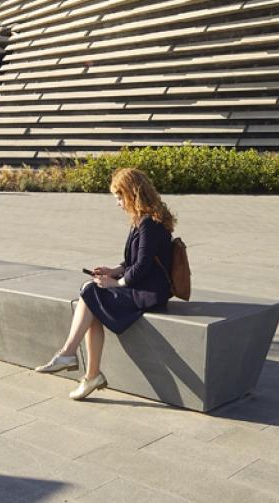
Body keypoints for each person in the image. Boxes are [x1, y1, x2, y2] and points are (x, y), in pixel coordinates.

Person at [35, 167, 176, 401]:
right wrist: (113, 271)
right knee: (91, 295)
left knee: (91, 292)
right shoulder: (142, 220)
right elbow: (133, 261)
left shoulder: (149, 224)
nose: (118, 203)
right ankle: (88, 372)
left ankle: (72, 357)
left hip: (149, 293)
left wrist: (116, 283)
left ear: (132, 193)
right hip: (142, 286)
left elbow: (142, 267)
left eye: (119, 197)